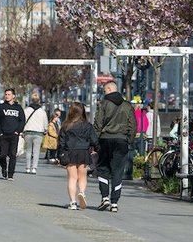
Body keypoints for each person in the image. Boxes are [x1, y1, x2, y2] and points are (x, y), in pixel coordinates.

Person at [93, 81, 135, 212]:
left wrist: (95, 142)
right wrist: (129, 140)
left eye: (105, 90)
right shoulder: (127, 106)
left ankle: (105, 197)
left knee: (103, 168)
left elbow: (98, 124)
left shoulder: (104, 104)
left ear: (110, 89)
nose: (104, 93)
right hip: (122, 140)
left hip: (105, 139)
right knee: (117, 171)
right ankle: (114, 202)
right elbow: (133, 125)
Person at [57, 102, 97, 210]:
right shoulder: (87, 125)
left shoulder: (66, 125)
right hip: (84, 152)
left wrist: (59, 155)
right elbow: (94, 140)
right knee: (82, 176)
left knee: (72, 178)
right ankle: (82, 193)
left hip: (70, 152)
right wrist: (96, 148)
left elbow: (61, 142)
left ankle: (73, 202)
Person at [0, 88, 25, 180]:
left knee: (12, 155)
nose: (7, 96)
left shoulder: (18, 108)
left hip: (14, 135)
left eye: (9, 94)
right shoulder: (1, 107)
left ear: (13, 96)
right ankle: (4, 168)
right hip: (3, 135)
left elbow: (22, 121)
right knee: (2, 155)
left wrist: (17, 131)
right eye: (6, 94)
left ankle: (10, 174)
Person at [22, 93, 48, 174]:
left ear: (31, 100)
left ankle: (27, 167)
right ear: (39, 100)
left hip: (28, 132)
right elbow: (45, 123)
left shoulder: (26, 110)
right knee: (36, 151)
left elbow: (22, 121)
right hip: (38, 133)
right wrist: (45, 130)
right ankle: (34, 168)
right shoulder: (42, 112)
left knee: (28, 150)